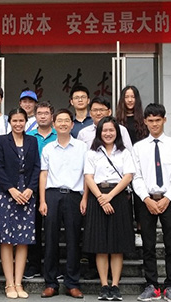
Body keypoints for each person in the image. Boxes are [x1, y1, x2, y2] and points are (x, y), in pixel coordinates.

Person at [132, 104, 171, 302]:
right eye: (151, 121)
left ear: (164, 120)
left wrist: (167, 198)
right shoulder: (138, 147)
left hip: (168, 199)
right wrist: (146, 199)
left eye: (158, 120)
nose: (154, 124)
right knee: (148, 245)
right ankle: (152, 285)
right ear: (145, 122)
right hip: (146, 200)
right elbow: (136, 176)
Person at [83, 116, 136, 302]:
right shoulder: (92, 153)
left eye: (111, 130)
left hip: (118, 197)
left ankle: (115, 285)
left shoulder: (124, 152)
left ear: (117, 132)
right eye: (104, 130)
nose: (108, 133)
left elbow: (128, 176)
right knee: (100, 245)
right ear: (99, 132)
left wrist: (110, 196)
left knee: (117, 245)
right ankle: (104, 285)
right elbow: (88, 177)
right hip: (97, 197)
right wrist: (100, 198)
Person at [39, 109, 88, 299]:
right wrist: (42, 200)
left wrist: (85, 198)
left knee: (73, 240)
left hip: (74, 196)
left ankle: (72, 283)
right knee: (50, 239)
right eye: (59, 121)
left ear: (72, 124)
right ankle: (50, 283)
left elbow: (86, 174)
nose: (63, 124)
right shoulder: (48, 148)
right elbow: (43, 174)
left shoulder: (82, 147)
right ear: (54, 124)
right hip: (52, 195)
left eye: (67, 120)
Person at [0, 108, 41, 299]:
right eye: (14, 120)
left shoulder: (32, 141)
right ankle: (9, 283)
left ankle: (19, 283)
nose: (18, 124)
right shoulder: (2, 141)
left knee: (23, 240)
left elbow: (37, 167)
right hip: (7, 194)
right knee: (6, 240)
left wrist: (30, 189)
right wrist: (11, 190)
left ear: (25, 122)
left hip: (27, 194)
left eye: (21, 120)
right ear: (10, 122)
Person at [24, 101, 57, 280]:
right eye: (40, 113)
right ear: (35, 116)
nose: (43, 116)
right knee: (33, 227)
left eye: (46, 113)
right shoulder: (28, 136)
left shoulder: (59, 135)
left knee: (53, 228)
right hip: (32, 186)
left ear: (52, 116)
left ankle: (52, 265)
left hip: (54, 186)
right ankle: (34, 264)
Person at [115, 86, 149, 247]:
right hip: (123, 165)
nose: (129, 100)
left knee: (140, 199)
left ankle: (140, 231)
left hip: (141, 164)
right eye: (126, 97)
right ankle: (128, 231)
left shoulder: (143, 120)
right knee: (126, 199)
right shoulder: (116, 121)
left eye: (132, 97)